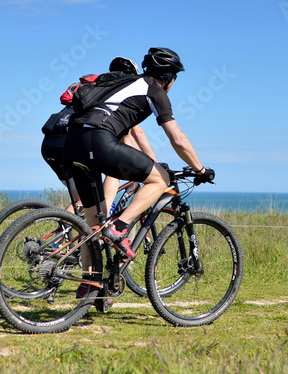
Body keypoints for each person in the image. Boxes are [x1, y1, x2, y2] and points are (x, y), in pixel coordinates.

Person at [63, 47, 214, 259]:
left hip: (71, 142)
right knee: (161, 179)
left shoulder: (123, 82)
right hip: (98, 140)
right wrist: (201, 170)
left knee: (93, 227)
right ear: (169, 77)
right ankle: (120, 227)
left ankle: (89, 285)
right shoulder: (154, 90)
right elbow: (178, 139)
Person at [40, 57, 156, 213]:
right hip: (72, 142)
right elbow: (137, 135)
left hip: (50, 144)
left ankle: (66, 232)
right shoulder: (119, 96)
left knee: (80, 202)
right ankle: (105, 216)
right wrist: (153, 163)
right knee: (112, 173)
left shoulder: (94, 88)